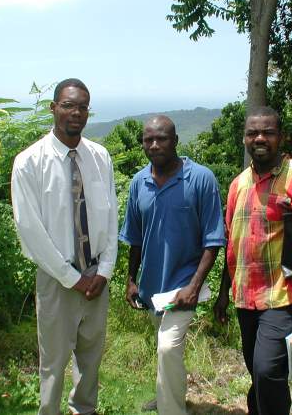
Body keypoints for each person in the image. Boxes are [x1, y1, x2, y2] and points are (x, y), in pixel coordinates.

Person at [214, 107, 292, 415]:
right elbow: (232, 244)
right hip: (245, 297)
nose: (259, 138)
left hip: (284, 295)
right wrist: (223, 294)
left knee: (267, 369)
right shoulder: (238, 185)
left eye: (267, 132)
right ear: (244, 139)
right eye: (253, 133)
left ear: (282, 137)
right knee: (258, 371)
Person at [11, 78, 117, 415]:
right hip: (57, 282)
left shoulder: (100, 157)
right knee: (53, 364)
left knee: (91, 358)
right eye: (68, 105)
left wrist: (105, 271)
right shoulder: (29, 162)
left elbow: (112, 217)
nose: (76, 113)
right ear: (53, 108)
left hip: (97, 278)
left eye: (83, 107)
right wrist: (72, 278)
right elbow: (30, 231)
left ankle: (84, 410)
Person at [120, 116, 225, 415]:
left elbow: (214, 239)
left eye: (162, 139)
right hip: (152, 287)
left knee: (167, 347)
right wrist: (131, 279)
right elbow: (135, 237)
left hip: (184, 284)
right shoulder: (139, 182)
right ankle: (168, 395)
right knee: (166, 349)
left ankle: (172, 409)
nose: (154, 145)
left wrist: (194, 286)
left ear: (176, 141)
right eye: (148, 140)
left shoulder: (201, 179)